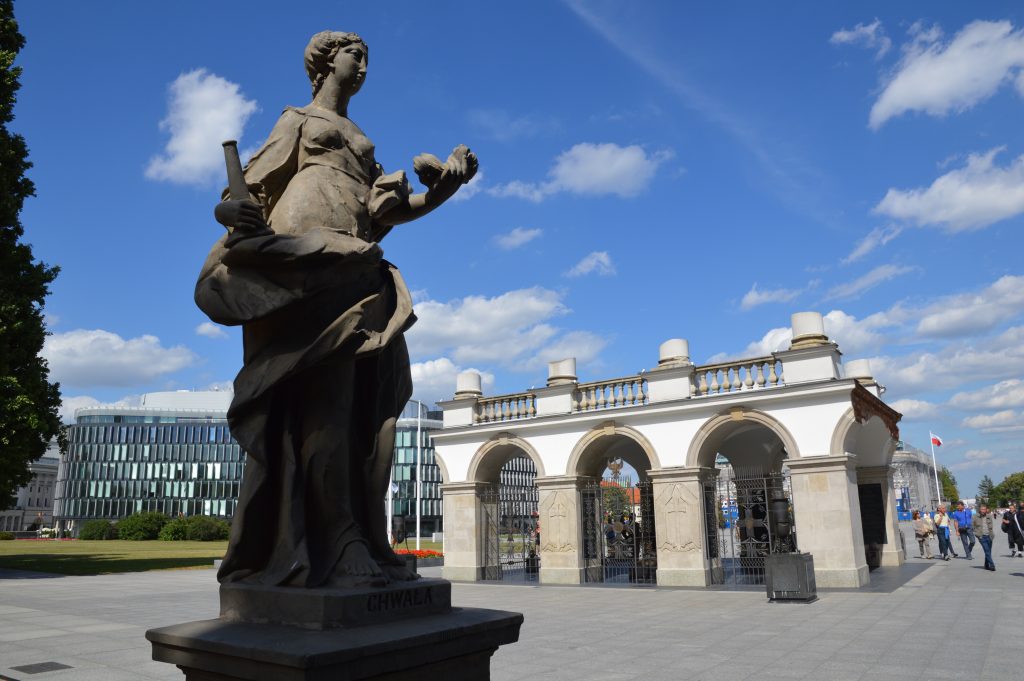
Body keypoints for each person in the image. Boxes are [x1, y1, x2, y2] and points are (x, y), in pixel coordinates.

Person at [199, 30, 477, 588]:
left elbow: (386, 213)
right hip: (308, 257)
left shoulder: (360, 137)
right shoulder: (298, 118)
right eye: (356, 54)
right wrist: (233, 213)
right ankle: (339, 542)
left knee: (372, 414)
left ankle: (366, 539)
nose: (365, 65)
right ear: (327, 61)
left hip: (357, 259)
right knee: (328, 402)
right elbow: (246, 192)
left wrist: (445, 189)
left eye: (368, 56)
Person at [972, 504, 997, 571]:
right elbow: (972, 526)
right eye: (982, 509)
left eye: (984, 509)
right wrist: (976, 534)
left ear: (986, 510)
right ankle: (992, 565)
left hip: (989, 536)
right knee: (987, 551)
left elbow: (991, 526)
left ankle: (986, 565)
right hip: (981, 536)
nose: (983, 511)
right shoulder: (975, 516)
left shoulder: (989, 516)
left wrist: (992, 535)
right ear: (980, 509)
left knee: (988, 551)